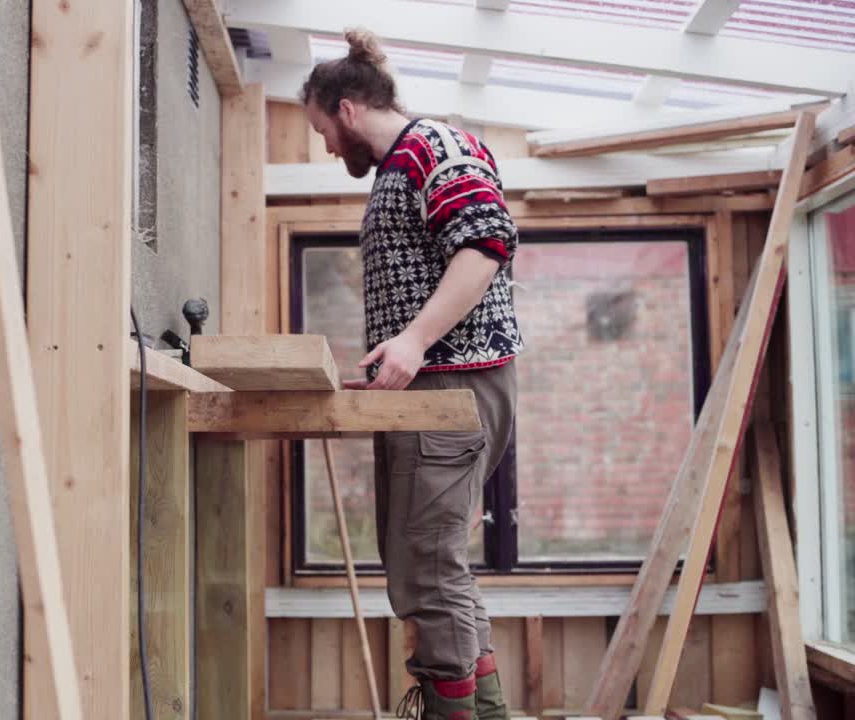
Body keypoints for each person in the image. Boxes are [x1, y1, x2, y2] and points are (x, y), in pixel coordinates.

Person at [300, 29, 522, 720]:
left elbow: (486, 243)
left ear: (346, 109)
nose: (328, 149)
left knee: (427, 567)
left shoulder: (436, 146)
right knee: (423, 565)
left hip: (452, 386)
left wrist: (416, 343)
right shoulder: (411, 155)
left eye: (322, 132)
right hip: (427, 393)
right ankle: (481, 712)